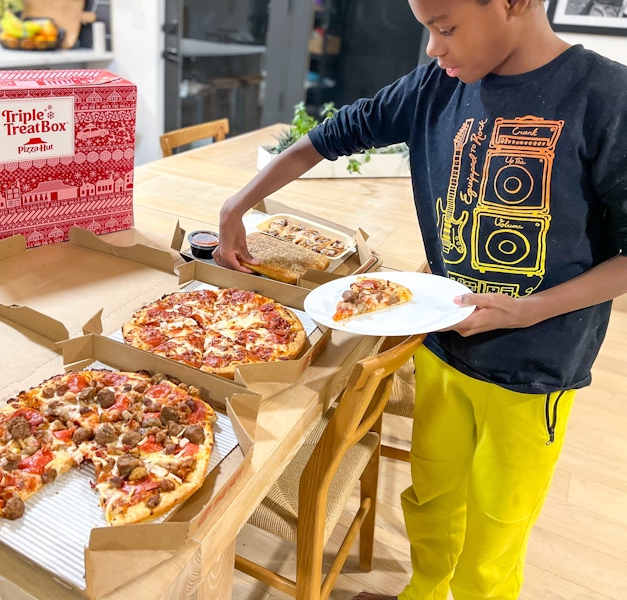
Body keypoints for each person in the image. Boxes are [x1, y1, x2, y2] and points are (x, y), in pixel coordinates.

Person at [213, 0, 627, 598]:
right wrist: (237, 204)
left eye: (446, 27)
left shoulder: (604, 96)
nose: (433, 47)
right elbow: (330, 137)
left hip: (535, 369)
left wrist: (528, 309)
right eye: (426, 28)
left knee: (497, 525)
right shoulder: (437, 83)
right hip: (440, 348)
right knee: (431, 496)